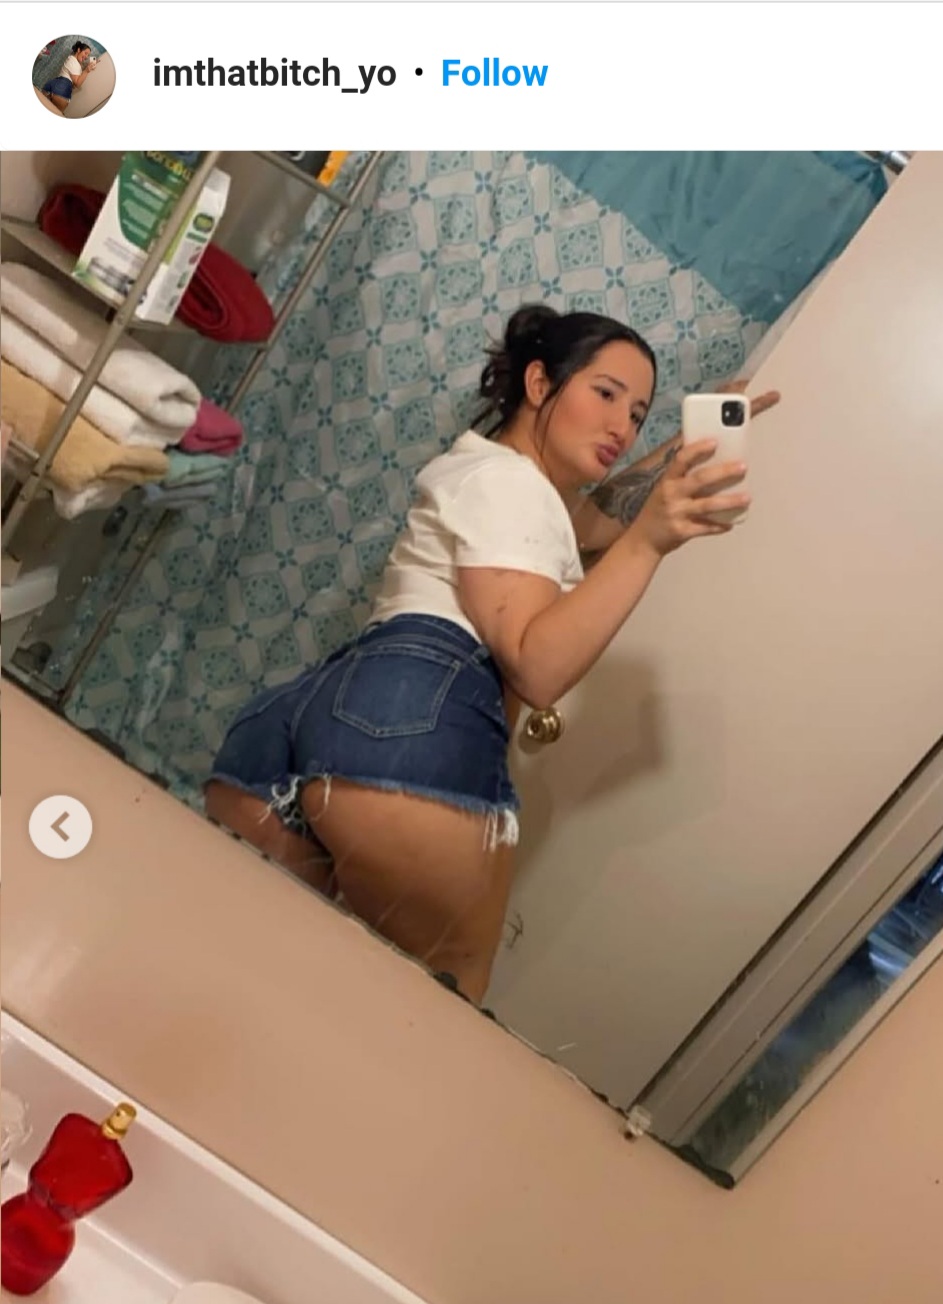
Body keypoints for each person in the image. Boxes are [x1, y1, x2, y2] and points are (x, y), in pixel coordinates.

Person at [206, 304, 779, 1002]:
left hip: (308, 722)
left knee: (257, 972)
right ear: (539, 383)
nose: (623, 427)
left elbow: (594, 522)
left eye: (637, 414)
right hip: (410, 735)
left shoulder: (491, 475)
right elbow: (536, 665)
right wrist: (652, 541)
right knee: (445, 994)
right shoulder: (512, 487)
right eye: (605, 394)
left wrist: (681, 452)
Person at [39, 41, 96, 112]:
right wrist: (86, 71)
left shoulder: (72, 60)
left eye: (88, 55)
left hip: (53, 83)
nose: (86, 57)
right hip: (62, 88)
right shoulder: (73, 62)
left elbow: (76, 77)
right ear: (79, 50)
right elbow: (77, 83)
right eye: (85, 53)